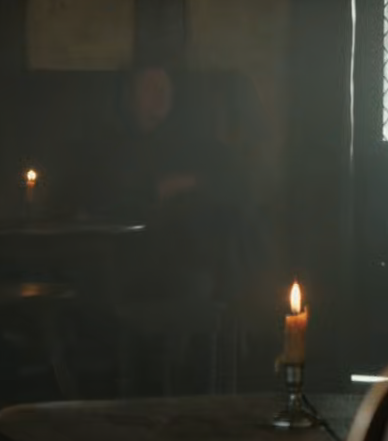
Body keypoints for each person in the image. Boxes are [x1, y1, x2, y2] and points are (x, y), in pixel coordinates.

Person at [57, 65, 248, 304]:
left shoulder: (193, 143)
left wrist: (187, 183)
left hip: (186, 261)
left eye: (166, 88)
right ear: (130, 95)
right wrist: (154, 192)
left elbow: (235, 183)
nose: (161, 95)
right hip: (124, 262)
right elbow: (92, 203)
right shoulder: (106, 146)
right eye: (150, 87)